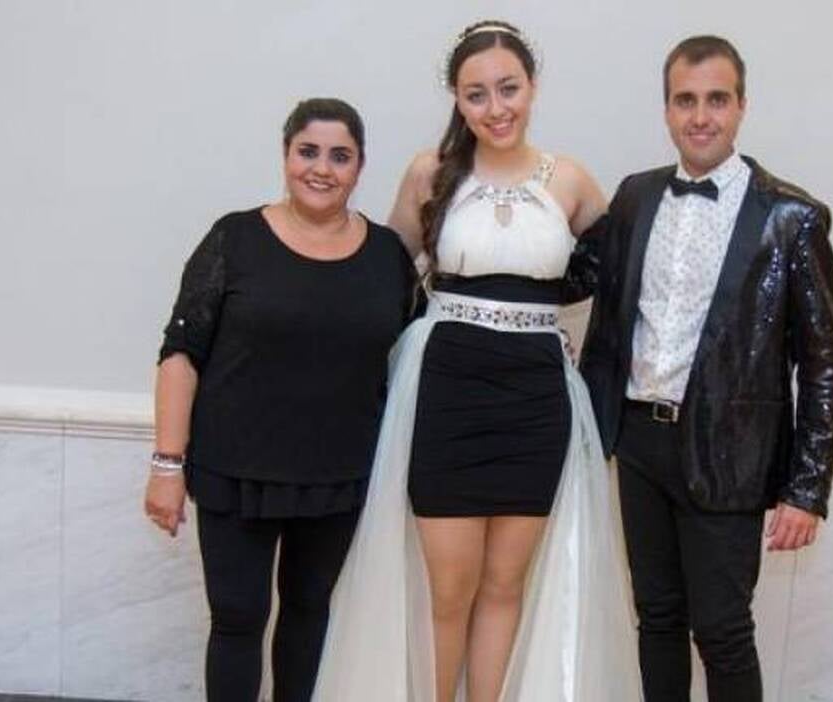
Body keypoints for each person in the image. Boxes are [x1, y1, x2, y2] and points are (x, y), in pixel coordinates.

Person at [311, 20, 641, 702]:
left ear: (533, 87)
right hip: (448, 391)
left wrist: (563, 336)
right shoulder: (430, 173)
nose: (496, 108)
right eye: (476, 94)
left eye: (508, 88)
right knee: (450, 590)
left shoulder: (572, 181)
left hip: (536, 400)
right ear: (457, 100)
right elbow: (385, 279)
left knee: (503, 587)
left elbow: (616, 281)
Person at [577, 35, 833, 702]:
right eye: (685, 100)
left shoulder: (791, 218)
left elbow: (823, 364)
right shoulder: (635, 197)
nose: (701, 117)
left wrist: (807, 488)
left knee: (722, 631)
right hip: (638, 442)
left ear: (742, 106)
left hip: (731, 454)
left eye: (717, 100)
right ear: (667, 109)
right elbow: (589, 292)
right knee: (657, 619)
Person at [143, 98, 417, 702]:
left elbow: (416, 349)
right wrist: (166, 464)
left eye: (340, 156)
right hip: (234, 470)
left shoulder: (387, 257)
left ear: (360, 166)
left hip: (338, 476)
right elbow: (180, 354)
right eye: (308, 151)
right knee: (238, 619)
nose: (322, 168)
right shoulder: (235, 238)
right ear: (286, 154)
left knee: (309, 613)